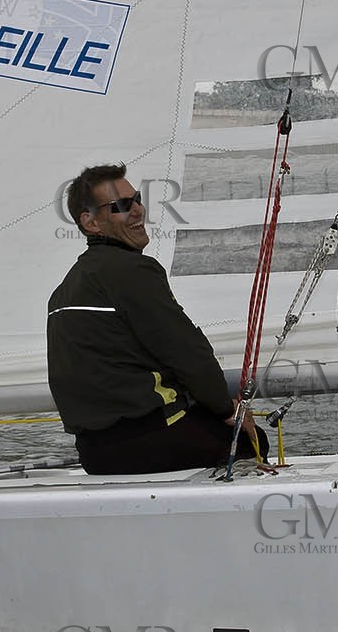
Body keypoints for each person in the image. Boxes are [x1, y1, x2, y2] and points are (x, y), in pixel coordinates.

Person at [47, 164, 264, 474]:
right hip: (150, 438)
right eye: (122, 206)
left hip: (94, 453)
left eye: (136, 199)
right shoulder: (133, 271)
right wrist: (226, 406)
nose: (137, 210)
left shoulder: (63, 291)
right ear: (91, 222)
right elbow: (186, 351)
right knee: (250, 442)